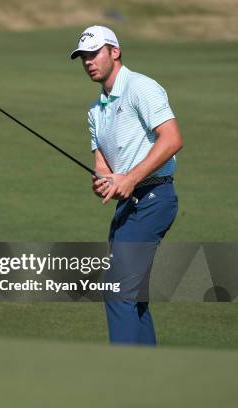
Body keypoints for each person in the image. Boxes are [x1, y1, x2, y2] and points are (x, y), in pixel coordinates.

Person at [70, 25, 184, 345]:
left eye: (94, 53)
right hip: (127, 206)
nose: (88, 61)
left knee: (118, 291)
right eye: (83, 57)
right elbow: (103, 167)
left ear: (114, 52)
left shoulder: (140, 87)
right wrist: (103, 182)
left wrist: (131, 177)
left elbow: (173, 139)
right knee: (133, 297)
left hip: (154, 196)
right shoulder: (95, 111)